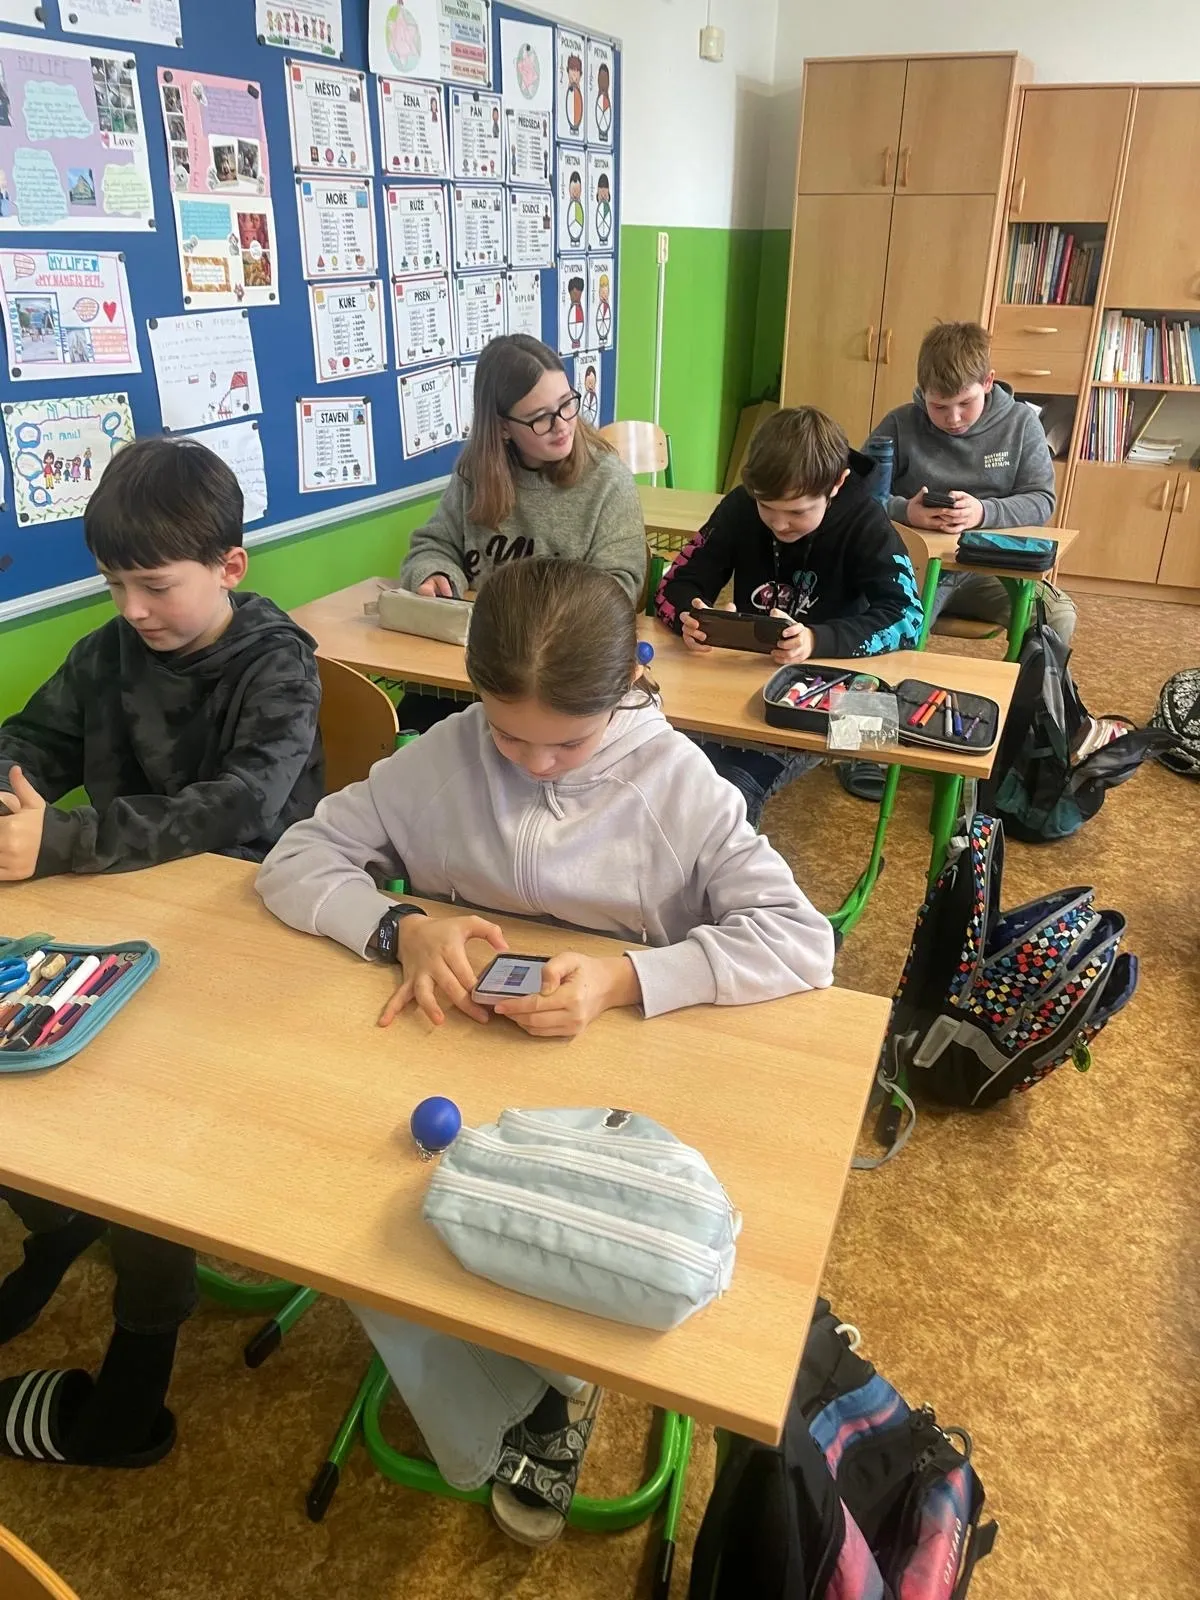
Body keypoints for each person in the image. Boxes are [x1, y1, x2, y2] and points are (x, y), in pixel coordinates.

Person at [256, 557, 835, 1545]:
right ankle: (524, 1399)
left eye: (568, 742)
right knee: (361, 1217)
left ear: (624, 692)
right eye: (506, 732)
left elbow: (800, 941)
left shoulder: (677, 784)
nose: (532, 764)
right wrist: (401, 927)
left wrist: (625, 980)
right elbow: (295, 859)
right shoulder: (445, 753)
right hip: (448, 1053)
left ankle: (556, 1378)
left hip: (614, 1086)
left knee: (558, 1235)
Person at [0, 438, 323, 1471]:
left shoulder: (277, 663)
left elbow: (241, 806)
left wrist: (58, 841)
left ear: (230, 566)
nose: (131, 608)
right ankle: (58, 1219)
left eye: (153, 586)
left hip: (250, 934)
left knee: (138, 1122)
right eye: (113, 584)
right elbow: (30, 742)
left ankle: (138, 1368)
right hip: (123, 913)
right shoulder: (107, 652)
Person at [656, 406, 923, 824]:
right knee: (667, 770)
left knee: (728, 791)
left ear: (837, 483)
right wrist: (690, 618)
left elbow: (908, 618)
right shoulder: (742, 505)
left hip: (826, 691)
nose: (779, 524)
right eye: (767, 507)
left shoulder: (865, 520)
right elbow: (674, 587)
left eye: (798, 512)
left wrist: (816, 639)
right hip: (740, 681)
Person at [397, 332, 645, 730]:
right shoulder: (476, 476)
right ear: (502, 428)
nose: (562, 425)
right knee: (413, 724)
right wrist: (435, 573)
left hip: (557, 670)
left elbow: (620, 584)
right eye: (541, 417)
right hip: (478, 662)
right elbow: (434, 544)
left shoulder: (607, 481)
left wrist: (544, 625)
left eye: (567, 403)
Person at [871, 320, 1076, 643]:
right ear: (922, 391)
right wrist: (904, 510)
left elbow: (1041, 499)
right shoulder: (900, 423)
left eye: (965, 403)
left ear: (988, 382)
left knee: (1057, 617)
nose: (953, 418)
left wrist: (983, 512)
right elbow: (857, 493)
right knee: (894, 630)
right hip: (915, 563)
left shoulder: (1021, 424)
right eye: (938, 406)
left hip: (990, 569)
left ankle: (1025, 679)